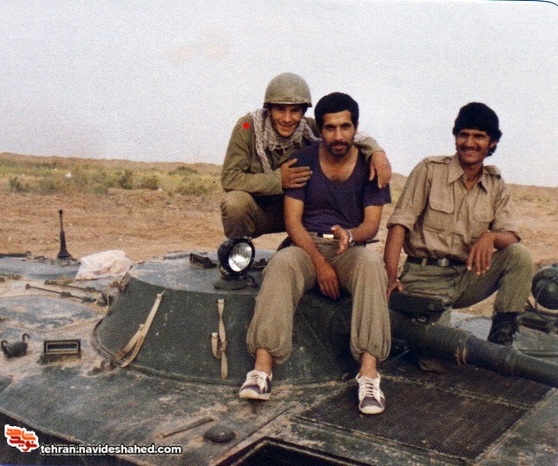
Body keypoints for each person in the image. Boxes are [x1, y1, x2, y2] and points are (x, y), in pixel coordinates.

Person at [239, 92, 392, 415]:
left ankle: (368, 375)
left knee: (370, 264)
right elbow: (293, 222)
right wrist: (320, 263)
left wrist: (350, 236)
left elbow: (371, 225)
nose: (338, 136)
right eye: (330, 128)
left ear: (356, 128)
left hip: (349, 247)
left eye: (345, 127)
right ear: (319, 130)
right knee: (281, 263)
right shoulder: (303, 161)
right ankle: (262, 370)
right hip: (307, 246)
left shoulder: (371, 166)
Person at [384, 102, 533, 346]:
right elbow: (399, 224)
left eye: (479, 136)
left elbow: (511, 235)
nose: (469, 143)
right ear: (456, 137)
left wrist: (491, 237)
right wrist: (390, 277)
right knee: (436, 356)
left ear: (492, 142)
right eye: (464, 134)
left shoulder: (495, 184)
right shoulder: (430, 170)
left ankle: (501, 339)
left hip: (466, 277)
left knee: (518, 256)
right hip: (425, 278)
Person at [220, 72, 392, 239]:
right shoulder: (247, 127)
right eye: (280, 109)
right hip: (260, 211)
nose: (287, 119)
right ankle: (238, 250)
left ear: (303, 112)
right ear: (269, 109)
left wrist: (375, 152)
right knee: (235, 203)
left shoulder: (308, 127)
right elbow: (230, 178)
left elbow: (347, 134)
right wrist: (278, 180)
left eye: (295, 111)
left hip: (301, 214)